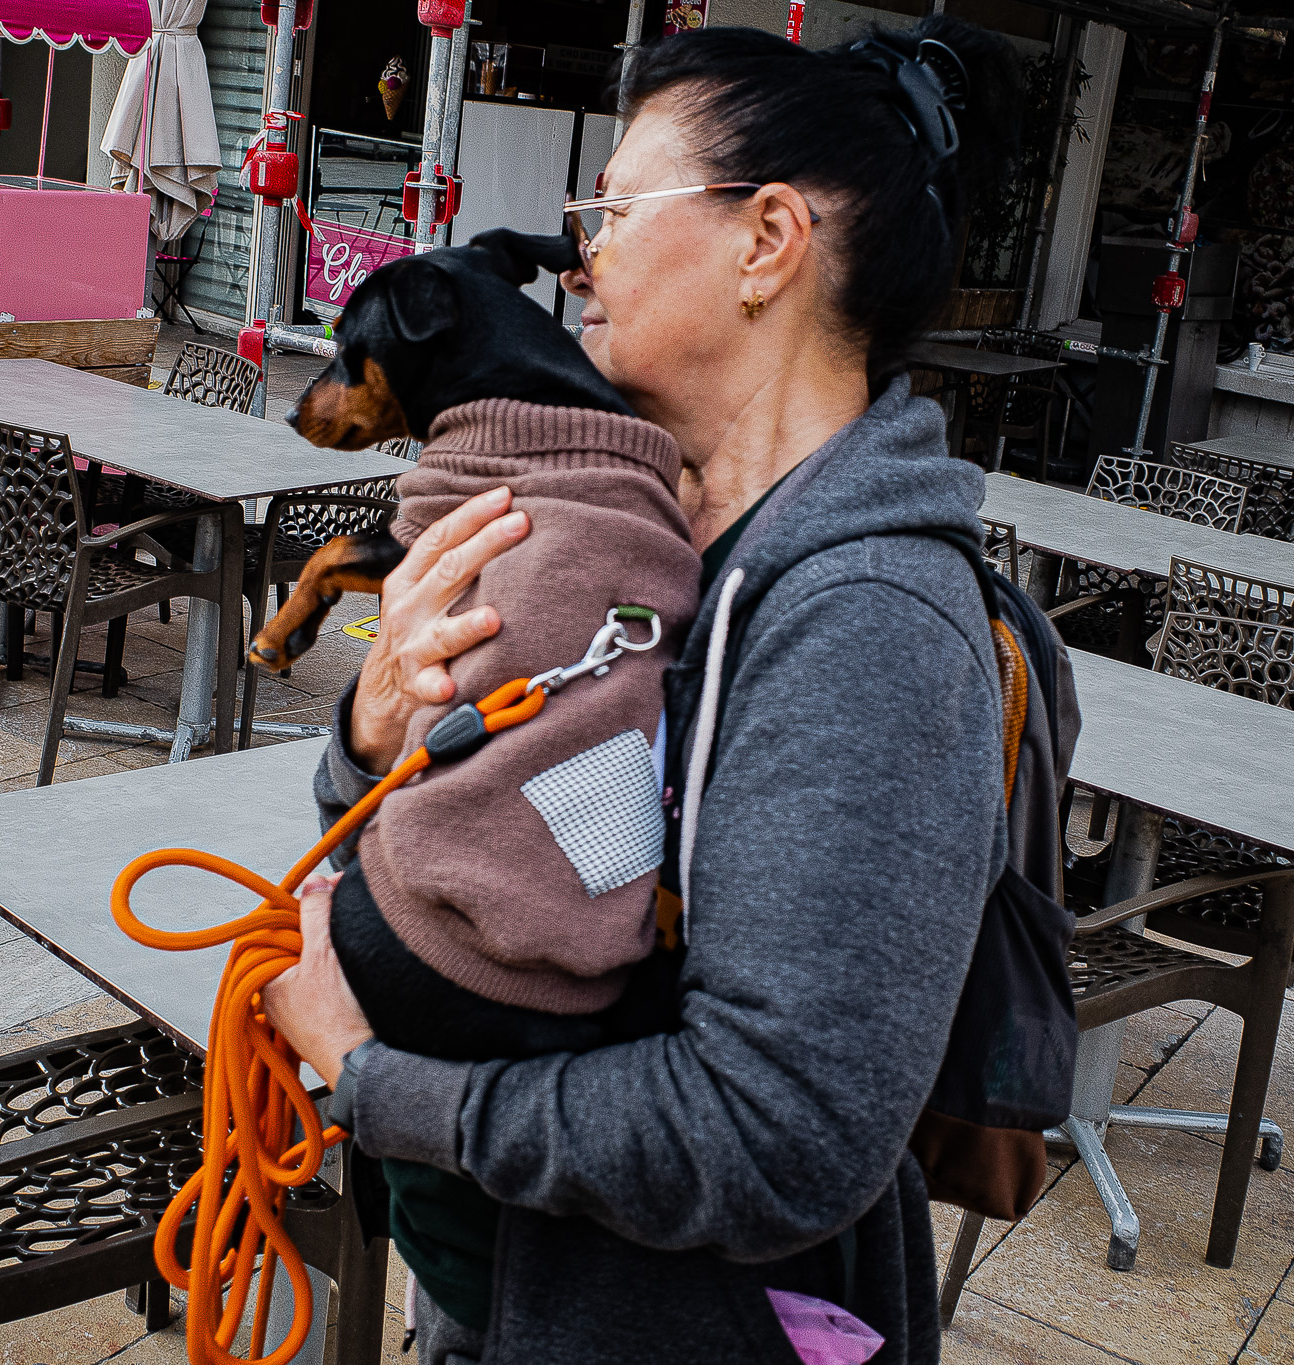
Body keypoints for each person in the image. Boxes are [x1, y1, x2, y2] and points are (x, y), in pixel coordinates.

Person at [265, 19, 1025, 1363]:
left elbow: (776, 1134)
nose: (582, 253)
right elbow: (476, 817)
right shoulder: (637, 530)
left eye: (612, 208)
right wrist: (370, 725)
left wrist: (380, 1085)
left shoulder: (871, 627)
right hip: (526, 1286)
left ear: (768, 241)